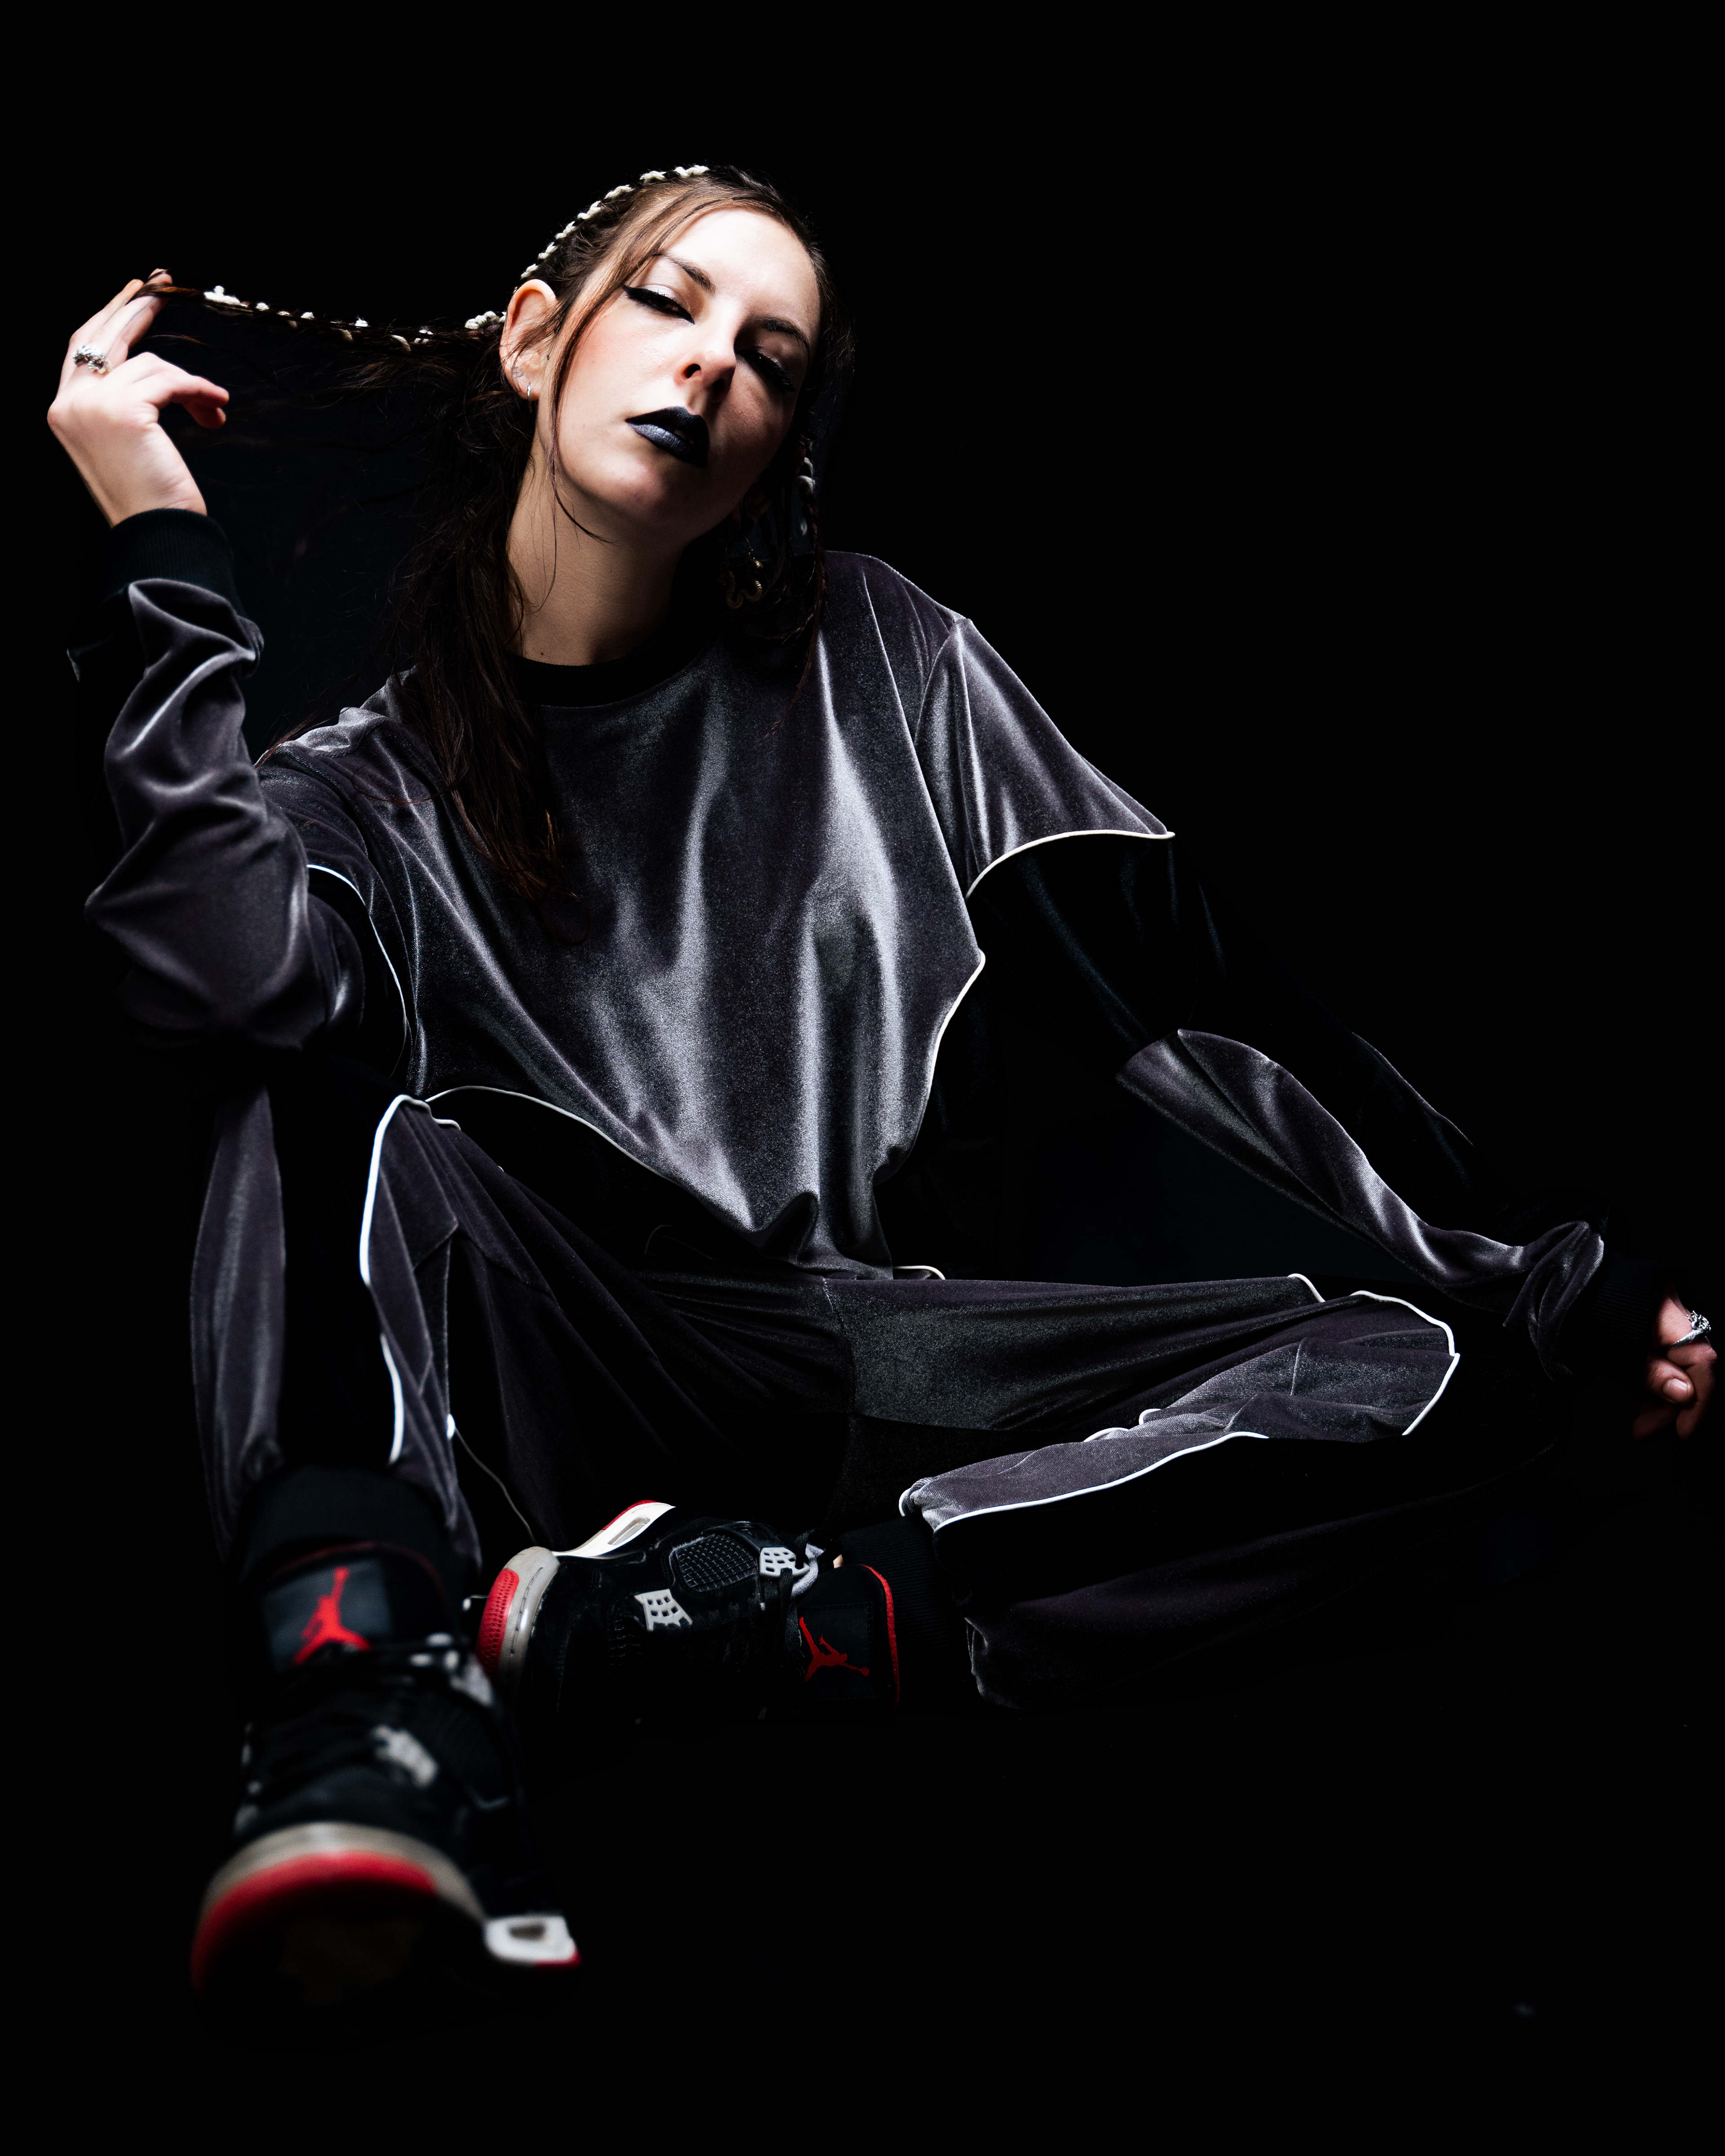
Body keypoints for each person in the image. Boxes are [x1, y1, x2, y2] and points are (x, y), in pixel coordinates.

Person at [50, 164, 1713, 2041]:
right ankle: (364, 1704)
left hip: (879, 1368)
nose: (711, 369)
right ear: (533, 340)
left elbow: (1190, 994)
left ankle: (749, 1617)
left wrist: (1563, 1278)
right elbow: (217, 986)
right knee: (330, 1104)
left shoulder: (888, 667)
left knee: (1452, 1370)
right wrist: (159, 548)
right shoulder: (359, 792)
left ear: (780, 448)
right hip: (587, 1365)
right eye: (669, 305)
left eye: (771, 359)